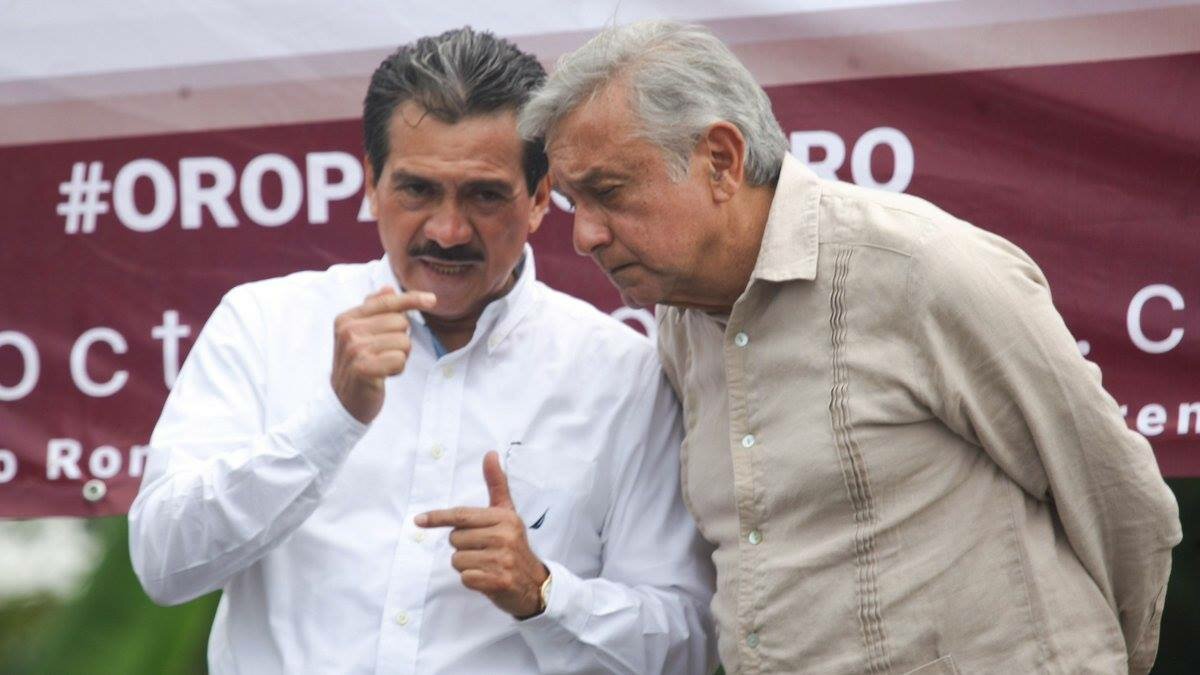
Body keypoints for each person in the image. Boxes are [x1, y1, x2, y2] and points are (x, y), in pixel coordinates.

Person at [521, 19, 1182, 674]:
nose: (584, 237)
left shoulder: (919, 267)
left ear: (720, 161)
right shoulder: (681, 322)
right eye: (575, 203)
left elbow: (1120, 502)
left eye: (608, 193)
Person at [129, 27, 716, 674]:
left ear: (539, 198)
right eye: (417, 190)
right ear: (371, 184)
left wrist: (544, 593)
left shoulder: (625, 374)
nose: (448, 230)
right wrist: (331, 421)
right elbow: (163, 563)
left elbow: (685, 645)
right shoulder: (264, 324)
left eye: (484, 194)